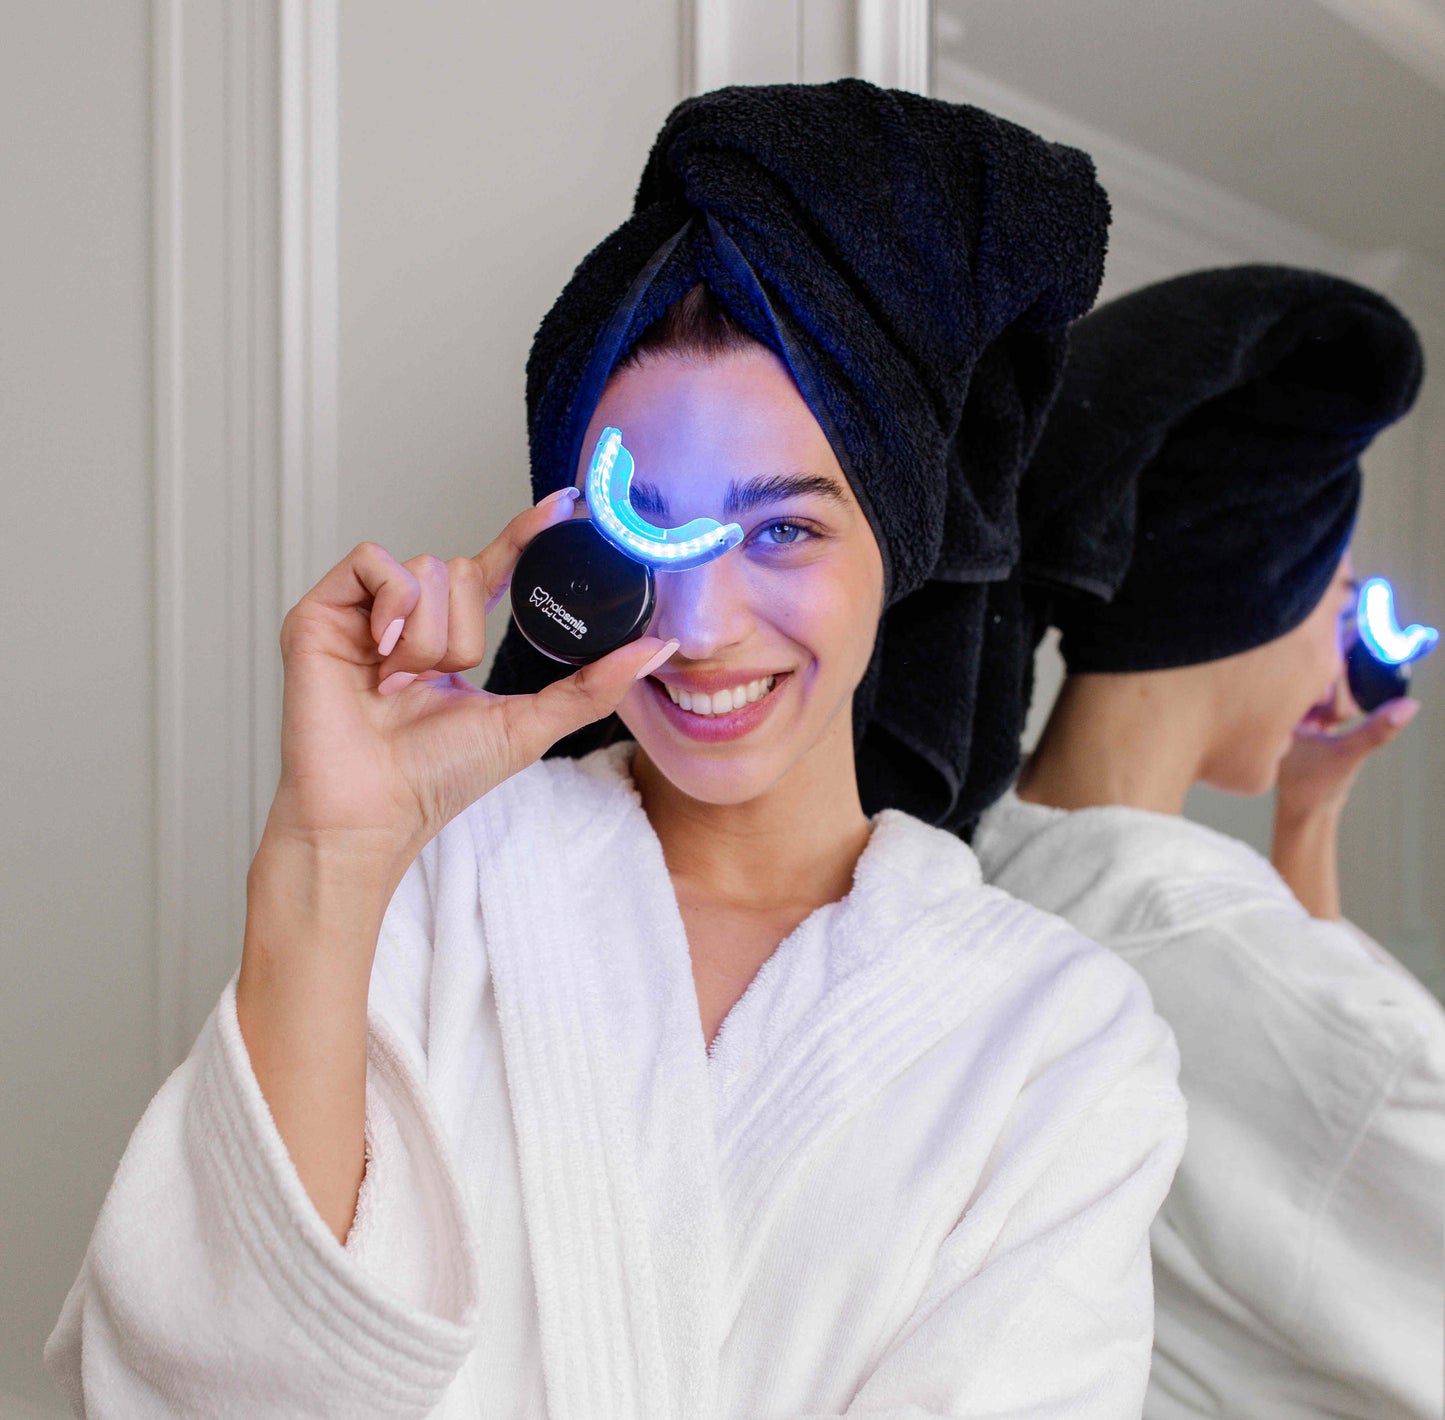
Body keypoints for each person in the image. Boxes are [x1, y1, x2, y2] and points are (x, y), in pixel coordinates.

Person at [47, 82, 1185, 1419]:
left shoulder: (1056, 1035)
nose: (699, 628)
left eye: (782, 532)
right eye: (645, 527)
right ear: (572, 534)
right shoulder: (430, 896)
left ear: (900, 551)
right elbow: (189, 1389)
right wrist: (329, 858)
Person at [973, 265, 1445, 1419]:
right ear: (1254, 595)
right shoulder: (1261, 980)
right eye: (1334, 600)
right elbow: (1341, 1060)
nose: (1333, 663)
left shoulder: (975, 867)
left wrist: (1310, 813)